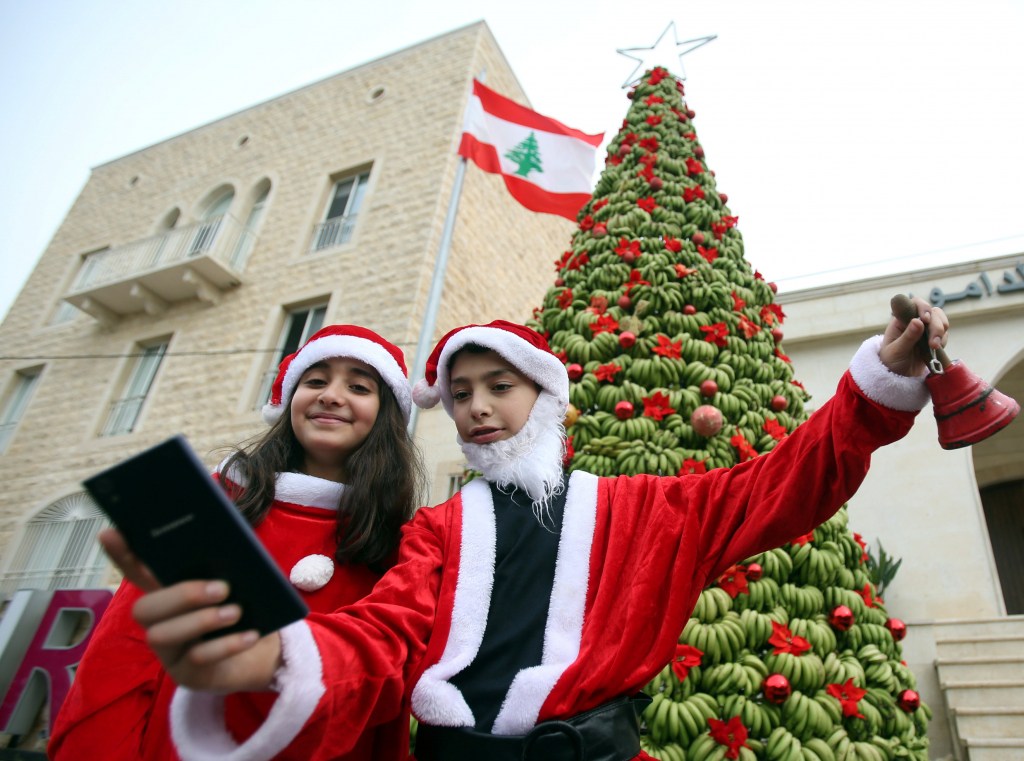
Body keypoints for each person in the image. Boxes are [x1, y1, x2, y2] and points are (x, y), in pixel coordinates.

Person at [104, 298, 949, 761]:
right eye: (461, 390)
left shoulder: (647, 509)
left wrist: (877, 387)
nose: (475, 406)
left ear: (544, 398)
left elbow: (788, 483)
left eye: (497, 386)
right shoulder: (434, 529)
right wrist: (274, 659)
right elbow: (384, 633)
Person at [49, 325, 424, 761]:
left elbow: (387, 685)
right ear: (288, 402)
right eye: (315, 381)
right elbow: (123, 653)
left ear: (384, 414)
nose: (331, 396)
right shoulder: (208, 502)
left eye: (358, 386)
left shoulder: (401, 543)